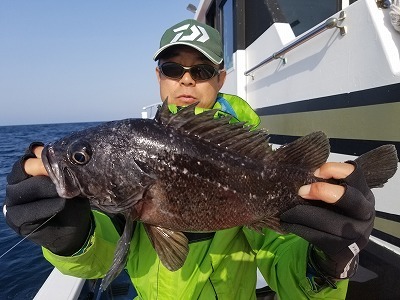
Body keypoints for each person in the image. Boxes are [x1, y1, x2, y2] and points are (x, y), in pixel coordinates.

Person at [3, 19, 375, 299]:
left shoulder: (256, 162)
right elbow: (100, 258)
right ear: (158, 76)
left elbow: (282, 258)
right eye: (172, 69)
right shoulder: (128, 157)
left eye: (201, 70)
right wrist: (70, 239)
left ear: (221, 78)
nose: (185, 80)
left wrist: (325, 266)